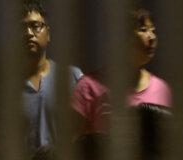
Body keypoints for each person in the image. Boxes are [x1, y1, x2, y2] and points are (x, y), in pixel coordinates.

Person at [0, 0, 83, 159]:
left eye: (36, 26)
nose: (29, 33)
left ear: (48, 33)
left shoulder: (72, 77)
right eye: (21, 28)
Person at [71, 8, 172, 157]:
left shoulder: (162, 89)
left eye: (153, 31)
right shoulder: (88, 87)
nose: (151, 37)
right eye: (143, 30)